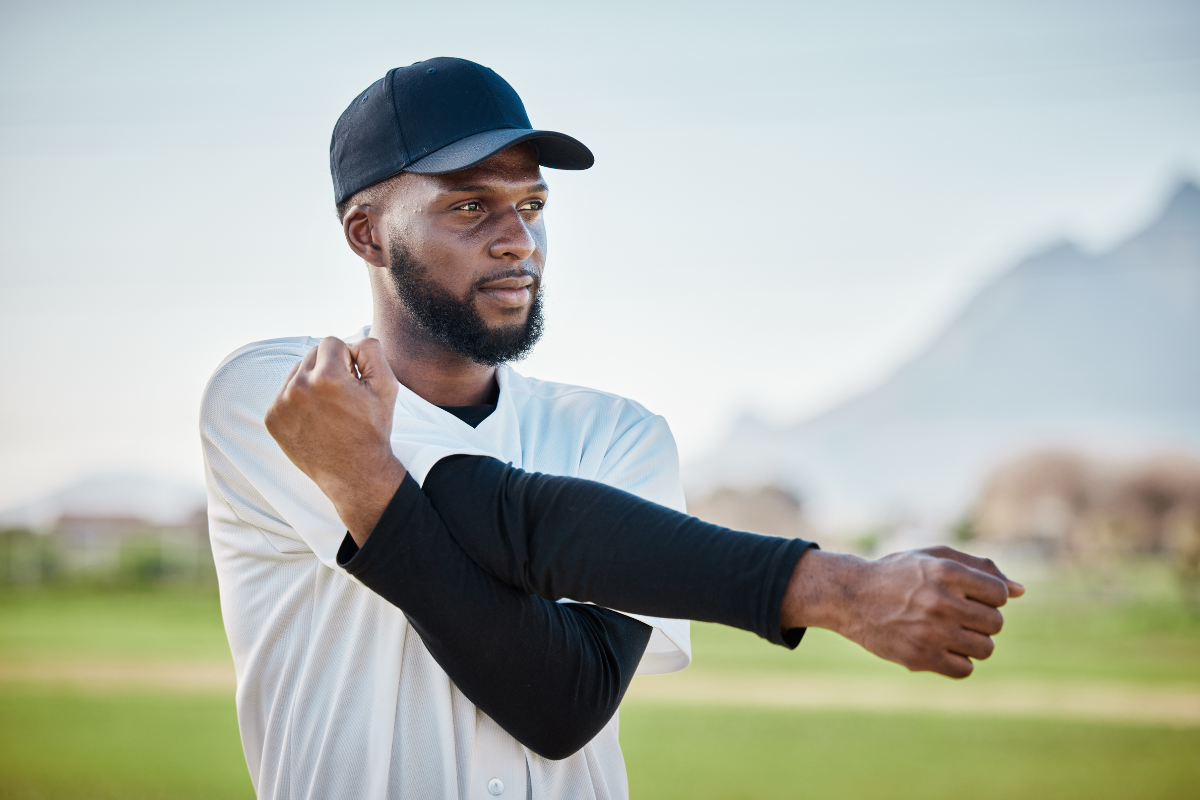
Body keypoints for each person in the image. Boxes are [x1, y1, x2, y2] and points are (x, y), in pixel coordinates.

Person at [200, 57, 1024, 800]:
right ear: (366, 233)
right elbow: (506, 518)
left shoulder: (617, 436)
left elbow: (564, 703)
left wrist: (368, 485)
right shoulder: (277, 394)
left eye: (531, 204)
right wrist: (837, 589)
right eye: (468, 205)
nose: (518, 239)